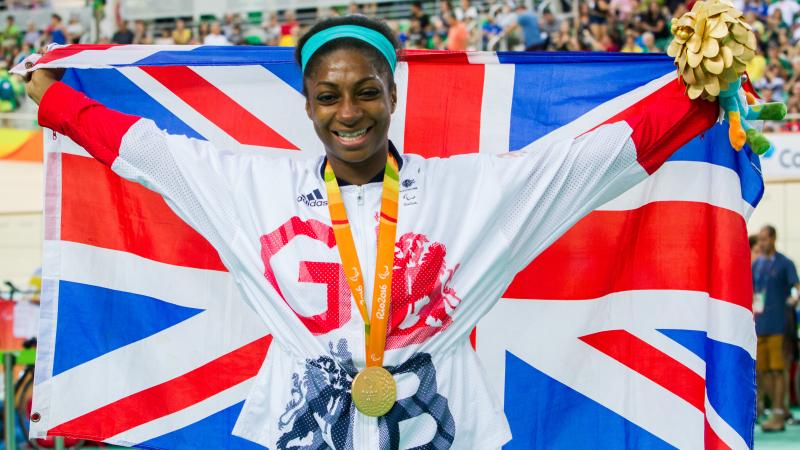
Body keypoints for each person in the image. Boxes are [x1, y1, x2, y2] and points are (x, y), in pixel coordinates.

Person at [24, 14, 719, 449]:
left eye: (367, 91)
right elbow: (147, 151)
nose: (348, 111)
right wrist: (52, 99)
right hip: (303, 431)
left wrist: (701, 91)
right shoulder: (253, 188)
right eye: (329, 95)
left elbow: (595, 159)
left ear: (394, 95)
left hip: (440, 427)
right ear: (307, 105)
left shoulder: (468, 191)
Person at [753, 225, 800, 431]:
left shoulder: (785, 263)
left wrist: (792, 301)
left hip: (778, 324)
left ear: (773, 238)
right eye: (760, 240)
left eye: (764, 239)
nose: (761, 244)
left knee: (777, 370)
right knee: (763, 371)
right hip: (760, 324)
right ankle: (772, 411)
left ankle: (779, 413)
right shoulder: (756, 265)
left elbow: (797, 289)